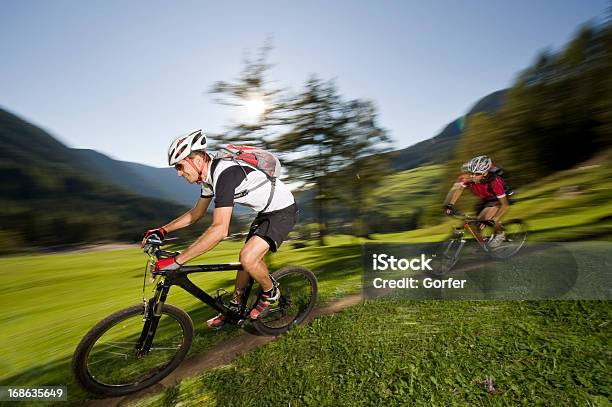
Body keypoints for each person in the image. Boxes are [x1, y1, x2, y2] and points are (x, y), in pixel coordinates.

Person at [142, 130, 298, 329]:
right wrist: (163, 230)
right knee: (245, 264)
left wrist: (177, 260)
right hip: (265, 213)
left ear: (197, 159)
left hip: (283, 211)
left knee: (248, 257)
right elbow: (196, 213)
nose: (178, 172)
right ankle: (233, 308)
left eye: (180, 166)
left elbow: (219, 230)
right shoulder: (208, 178)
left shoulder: (224, 174)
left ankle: (270, 292)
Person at [444, 155, 510, 246]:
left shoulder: (495, 182)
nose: (473, 176)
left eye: (477, 174)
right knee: (476, 224)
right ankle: (482, 245)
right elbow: (459, 189)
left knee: (488, 219)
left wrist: (496, 219)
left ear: (485, 173)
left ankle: (500, 234)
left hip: (498, 200)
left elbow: (505, 205)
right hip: (486, 199)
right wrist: (450, 205)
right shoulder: (470, 178)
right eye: (471, 173)